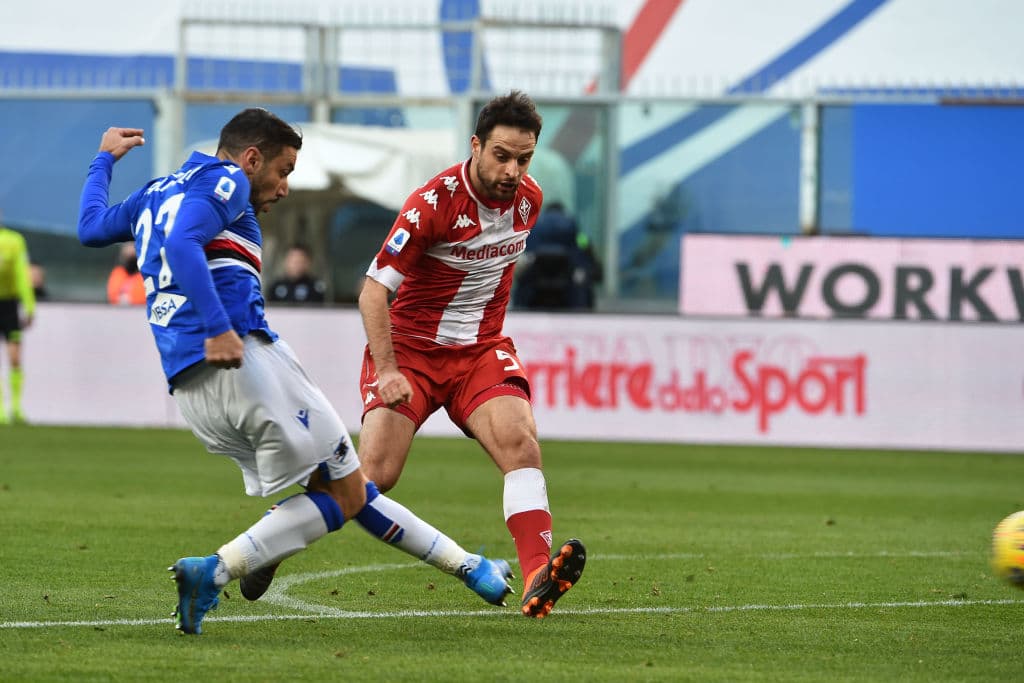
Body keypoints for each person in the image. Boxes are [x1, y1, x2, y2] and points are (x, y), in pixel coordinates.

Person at [77, 108, 513, 636]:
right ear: (252, 158)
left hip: (190, 385)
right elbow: (182, 244)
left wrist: (103, 159)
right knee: (345, 491)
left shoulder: (156, 192)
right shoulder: (227, 180)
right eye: (283, 171)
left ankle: (473, 569)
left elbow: (91, 227)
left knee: (348, 490)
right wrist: (218, 327)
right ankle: (214, 570)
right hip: (243, 358)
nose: (284, 188)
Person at [357, 91, 585, 618]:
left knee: (520, 446)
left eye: (524, 158)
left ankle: (536, 577)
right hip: (412, 351)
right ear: (476, 146)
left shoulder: (530, 200)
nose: (512, 170)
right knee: (373, 478)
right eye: (502, 155)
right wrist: (387, 369)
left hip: (480, 351)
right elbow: (373, 291)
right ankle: (275, 538)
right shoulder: (432, 205)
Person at [512, 201, 601, 310]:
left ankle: (519, 308)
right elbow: (581, 243)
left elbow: (525, 247)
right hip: (567, 283)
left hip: (534, 281)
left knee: (522, 278)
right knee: (581, 281)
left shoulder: (536, 223)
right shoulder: (569, 222)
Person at [0, 218, 35, 425]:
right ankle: (1, 410)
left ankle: (16, 407)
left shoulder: (14, 240)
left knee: (14, 357)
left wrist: (29, 305)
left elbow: (22, 274)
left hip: (9, 306)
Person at [106, 241, 146, 305]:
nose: (130, 251)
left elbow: (141, 299)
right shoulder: (118, 272)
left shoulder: (145, 274)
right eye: (127, 247)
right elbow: (113, 296)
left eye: (133, 247)